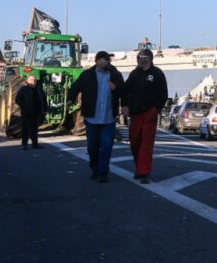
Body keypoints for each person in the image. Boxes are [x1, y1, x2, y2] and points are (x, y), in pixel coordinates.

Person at [68, 51, 125, 182]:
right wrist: (70, 99)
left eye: (106, 60)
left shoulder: (115, 75)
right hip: (91, 117)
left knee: (106, 145)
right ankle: (94, 168)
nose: (104, 62)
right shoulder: (87, 74)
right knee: (92, 145)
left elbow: (123, 92)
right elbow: (75, 87)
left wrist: (116, 88)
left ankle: (103, 172)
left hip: (108, 118)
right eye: (102, 59)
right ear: (97, 61)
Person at [121, 49, 167, 183]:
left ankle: (144, 172)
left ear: (149, 59)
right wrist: (124, 105)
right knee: (135, 142)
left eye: (141, 57)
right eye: (138, 57)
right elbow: (125, 90)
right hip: (135, 113)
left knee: (146, 144)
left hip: (149, 113)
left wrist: (156, 109)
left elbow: (163, 93)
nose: (139, 59)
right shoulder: (134, 74)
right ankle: (139, 167)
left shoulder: (157, 73)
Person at [14, 75, 47, 150]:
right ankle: (24, 144)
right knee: (26, 129)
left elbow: (44, 100)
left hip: (36, 112)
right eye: (31, 80)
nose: (33, 81)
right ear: (27, 81)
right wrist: (24, 106)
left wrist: (45, 109)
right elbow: (17, 99)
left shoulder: (39, 90)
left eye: (34, 80)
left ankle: (35, 144)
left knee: (35, 129)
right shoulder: (24, 89)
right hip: (27, 112)